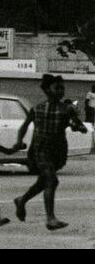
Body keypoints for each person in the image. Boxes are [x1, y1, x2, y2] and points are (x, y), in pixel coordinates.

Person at [13, 74, 88, 231]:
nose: (61, 91)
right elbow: (24, 126)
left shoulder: (67, 109)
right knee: (52, 181)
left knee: (45, 181)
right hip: (40, 149)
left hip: (57, 150)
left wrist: (78, 127)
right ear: (47, 90)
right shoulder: (37, 108)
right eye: (57, 88)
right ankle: (50, 218)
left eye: (62, 88)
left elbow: (80, 126)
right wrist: (19, 141)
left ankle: (21, 200)